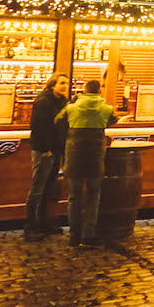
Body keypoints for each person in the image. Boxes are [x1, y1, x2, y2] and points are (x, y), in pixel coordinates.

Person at [55, 79, 117, 248]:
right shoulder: (105, 108)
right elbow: (113, 120)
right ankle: (88, 235)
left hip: (74, 155)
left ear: (84, 90)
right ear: (99, 91)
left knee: (73, 197)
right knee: (93, 197)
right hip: (95, 157)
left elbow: (58, 121)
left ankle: (74, 236)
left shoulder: (72, 107)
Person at [24, 73, 69, 241]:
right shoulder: (43, 101)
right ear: (52, 85)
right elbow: (38, 127)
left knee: (48, 187)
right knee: (37, 188)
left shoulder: (62, 101)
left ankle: (43, 222)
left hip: (56, 150)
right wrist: (46, 149)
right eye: (61, 83)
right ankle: (30, 226)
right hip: (44, 151)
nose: (65, 86)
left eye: (66, 83)